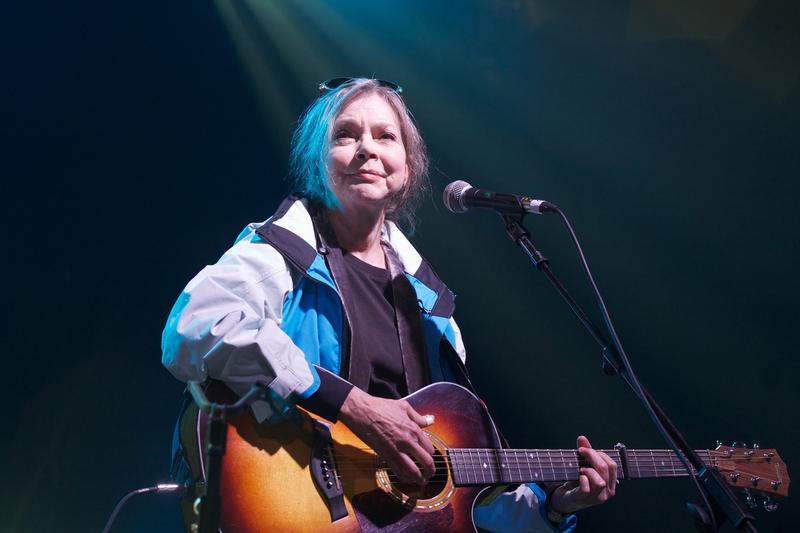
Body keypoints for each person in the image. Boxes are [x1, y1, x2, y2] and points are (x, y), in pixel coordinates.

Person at [162, 77, 617, 532]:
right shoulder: (281, 250)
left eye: (385, 135)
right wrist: (354, 406)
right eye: (346, 134)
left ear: (408, 163)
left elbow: (456, 494)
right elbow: (195, 328)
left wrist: (557, 505)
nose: (367, 148)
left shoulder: (432, 309)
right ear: (318, 160)